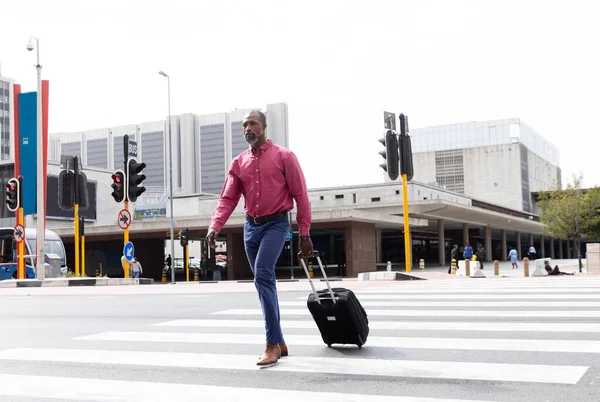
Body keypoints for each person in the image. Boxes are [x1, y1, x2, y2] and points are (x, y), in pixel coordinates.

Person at [207, 110, 313, 367]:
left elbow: (301, 195)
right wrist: (215, 225)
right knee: (264, 282)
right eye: (244, 125)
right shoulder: (238, 163)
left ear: (264, 126)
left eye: (253, 123)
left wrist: (305, 233)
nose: (248, 128)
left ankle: (271, 345)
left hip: (276, 224)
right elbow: (228, 198)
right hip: (250, 228)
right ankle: (281, 340)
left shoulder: (284, 156)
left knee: (263, 275)